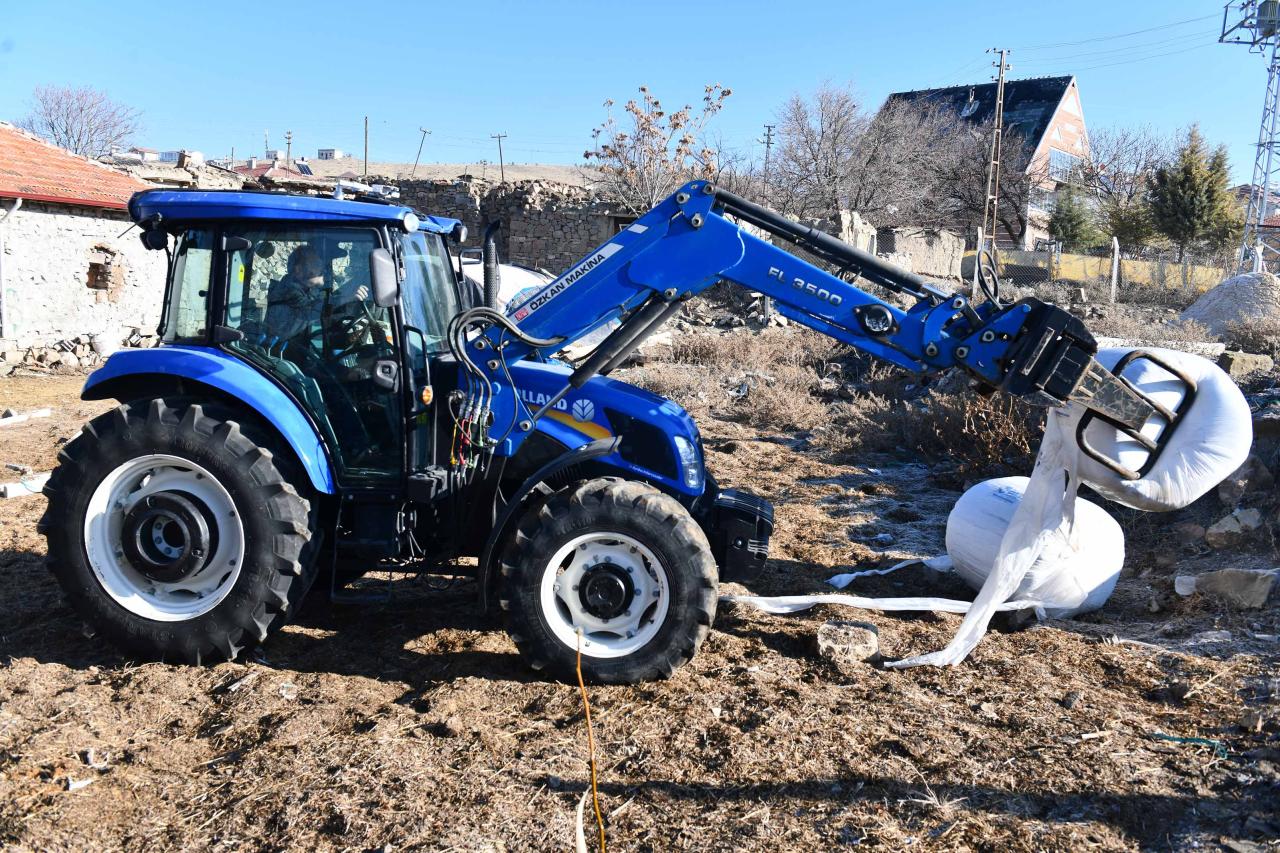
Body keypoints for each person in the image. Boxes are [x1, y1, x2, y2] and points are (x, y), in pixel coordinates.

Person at [266, 245, 370, 345]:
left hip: (299, 344)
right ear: (298, 270)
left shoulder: (306, 289)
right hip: (282, 352)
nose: (322, 269)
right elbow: (309, 311)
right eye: (316, 264)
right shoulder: (286, 291)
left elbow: (322, 301)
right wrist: (346, 298)